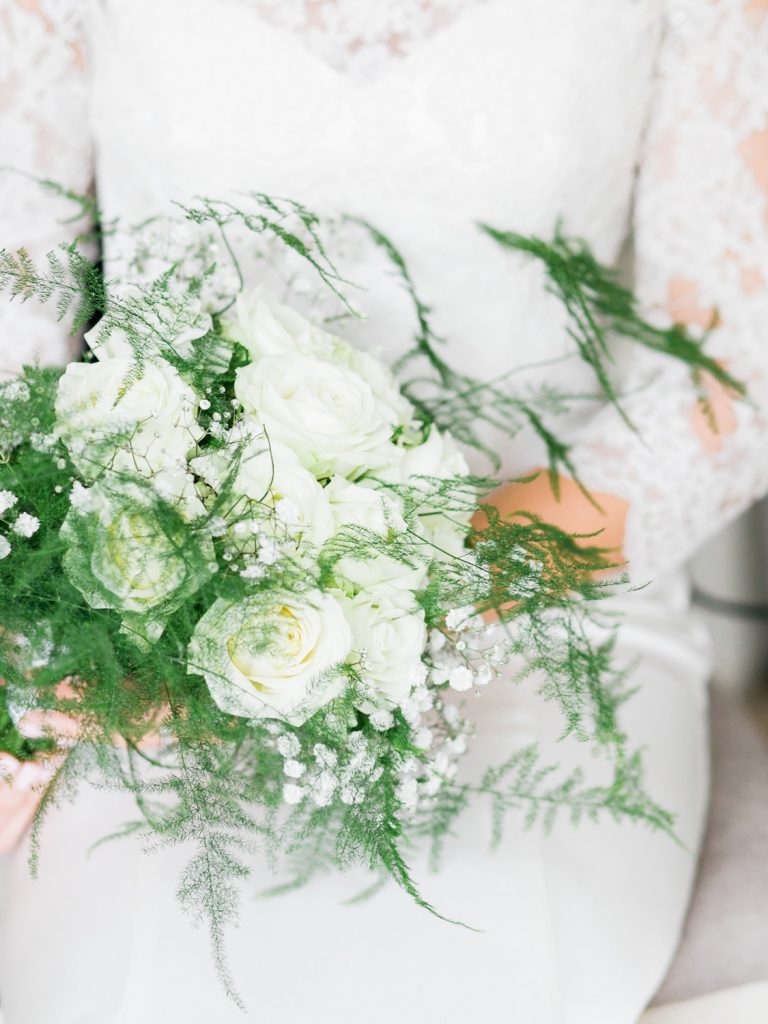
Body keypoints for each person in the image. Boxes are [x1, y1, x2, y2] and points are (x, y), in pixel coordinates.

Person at [0, 1, 766, 1021]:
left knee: (483, 948)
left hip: (541, 597)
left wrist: (383, 596)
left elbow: (724, 382)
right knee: (121, 970)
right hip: (140, 620)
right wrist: (114, 621)